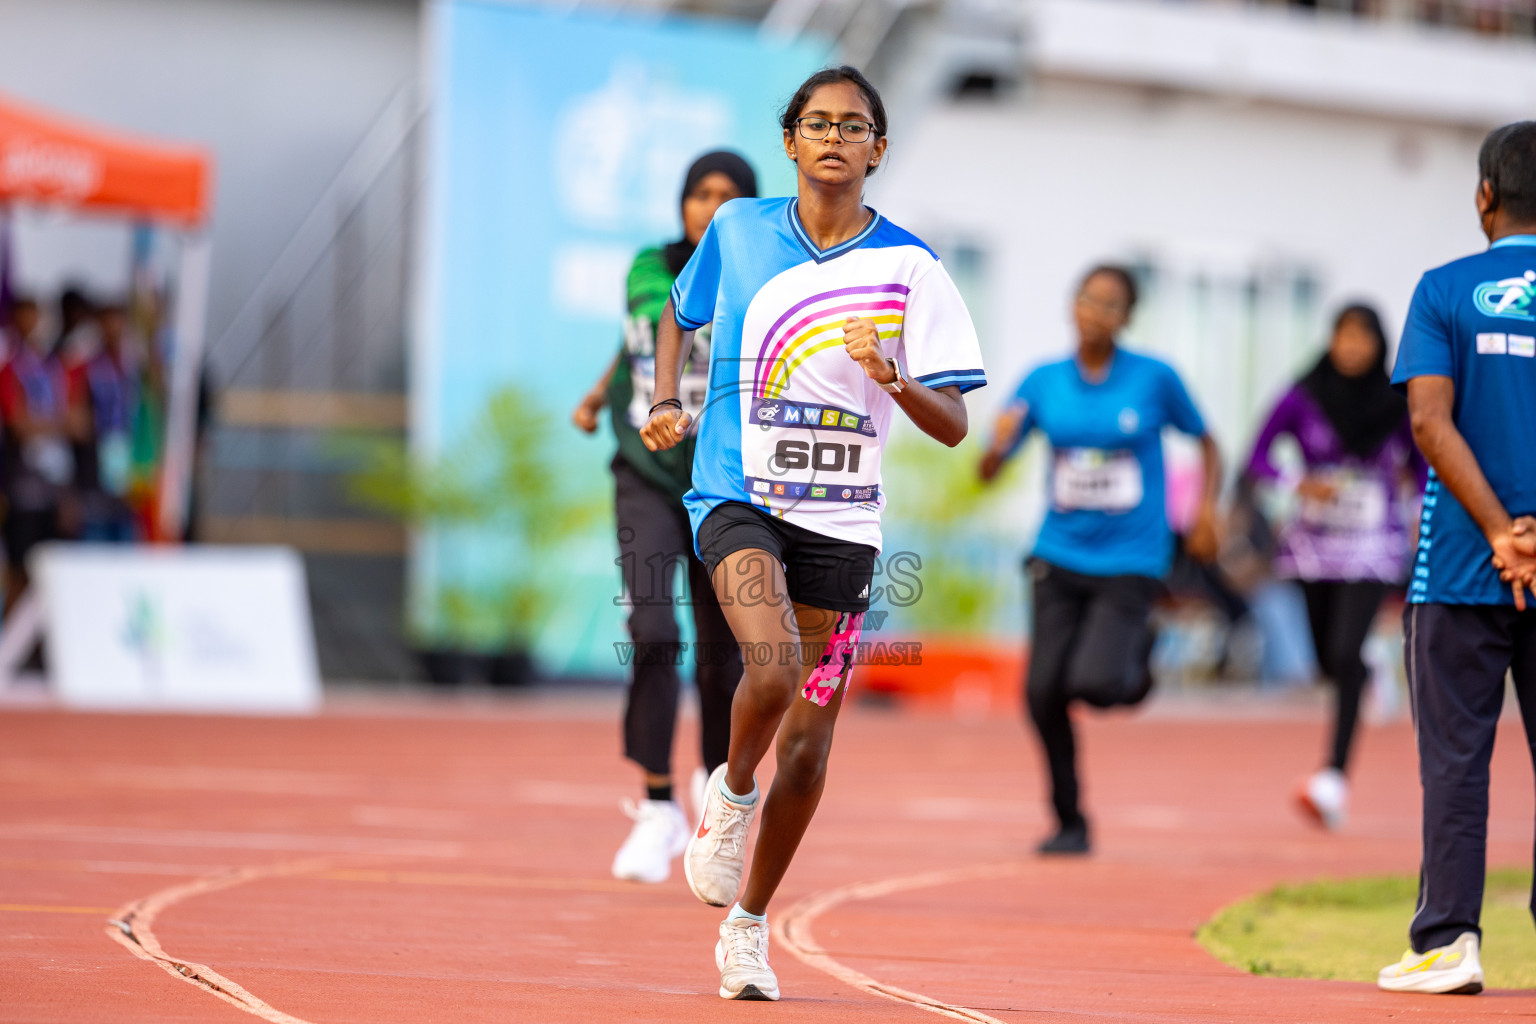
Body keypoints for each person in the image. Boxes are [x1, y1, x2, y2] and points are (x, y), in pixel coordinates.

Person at [641, 66, 986, 1001]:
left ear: (878, 148)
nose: (835, 136)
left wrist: (898, 379)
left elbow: (955, 423)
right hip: (734, 493)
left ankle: (748, 927)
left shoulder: (913, 268)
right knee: (773, 668)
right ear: (792, 141)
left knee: (813, 747)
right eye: (817, 122)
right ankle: (731, 791)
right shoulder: (740, 229)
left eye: (855, 125)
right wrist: (665, 397)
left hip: (842, 521)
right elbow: (678, 318)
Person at [978, 265, 1221, 856]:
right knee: (1042, 693)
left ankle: (1137, 659)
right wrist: (998, 441)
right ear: (1073, 305)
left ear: (1127, 317)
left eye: (1112, 304)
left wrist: (1208, 510)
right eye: (1089, 299)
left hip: (1131, 557)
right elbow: (988, 469)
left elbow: (1207, 441)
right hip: (1058, 554)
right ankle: (1070, 820)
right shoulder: (1042, 381)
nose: (1097, 312)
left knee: (1094, 683)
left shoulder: (1154, 379)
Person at [1376, 121, 1536, 996]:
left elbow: (1430, 424)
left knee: (1457, 759)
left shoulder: (1446, 288)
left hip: (1463, 570)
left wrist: (1504, 530)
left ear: (1484, 195)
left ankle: (1449, 944)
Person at [571, 151, 755, 885]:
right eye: (699, 194)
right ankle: (656, 806)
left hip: (725, 481)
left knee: (722, 654)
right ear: (681, 204)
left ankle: (713, 799)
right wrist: (601, 397)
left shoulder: (768, 279)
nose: (710, 208)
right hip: (646, 472)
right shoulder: (653, 266)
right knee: (653, 631)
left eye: (728, 197)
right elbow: (647, 331)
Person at [1246, 304, 1424, 830]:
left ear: (1379, 346)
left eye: (1363, 339)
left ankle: (1333, 777)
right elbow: (1257, 456)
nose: (1352, 348)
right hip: (1313, 543)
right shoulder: (1302, 396)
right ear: (1330, 340)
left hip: (1374, 544)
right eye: (1344, 336)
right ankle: (1365, 668)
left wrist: (1415, 515)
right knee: (1327, 659)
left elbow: (1421, 463)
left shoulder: (1398, 400)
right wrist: (1296, 483)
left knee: (1343, 651)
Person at [0, 295, 78, 608]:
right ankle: (9, 651)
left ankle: (40, 650)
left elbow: (79, 423)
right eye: (24, 319)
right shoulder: (9, 370)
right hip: (21, 489)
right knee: (19, 573)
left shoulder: (54, 369)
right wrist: (58, 423)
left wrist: (44, 424)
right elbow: (18, 425)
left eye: (35, 318)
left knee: (51, 577)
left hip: (54, 488)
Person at [65, 301, 140, 542]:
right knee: (95, 543)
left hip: (130, 472)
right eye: (108, 324)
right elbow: (75, 419)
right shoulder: (86, 368)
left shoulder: (135, 369)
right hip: (94, 470)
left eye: (119, 324)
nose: (114, 330)